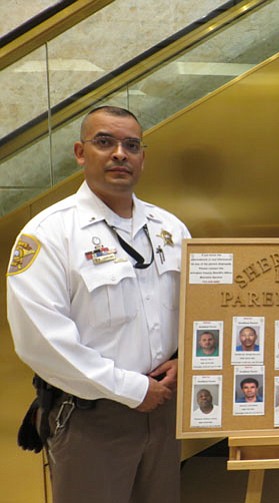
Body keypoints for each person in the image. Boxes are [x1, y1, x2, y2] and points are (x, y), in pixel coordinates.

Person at [6, 106, 190, 503]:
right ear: (80, 151)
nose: (120, 154)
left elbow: (198, 310)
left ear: (143, 157)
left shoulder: (171, 229)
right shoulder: (49, 234)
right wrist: (130, 388)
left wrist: (186, 358)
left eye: (132, 145)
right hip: (91, 414)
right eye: (105, 142)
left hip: (164, 410)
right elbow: (41, 341)